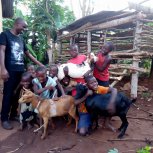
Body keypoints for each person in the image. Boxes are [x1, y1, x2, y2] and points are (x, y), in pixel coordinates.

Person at [0, 18, 44, 130]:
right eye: (23, 27)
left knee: (17, 93)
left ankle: (13, 115)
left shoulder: (20, 39)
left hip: (20, 71)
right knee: (8, 94)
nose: (24, 29)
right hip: (9, 71)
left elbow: (28, 55)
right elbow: (2, 51)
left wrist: (41, 65)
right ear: (17, 24)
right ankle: (4, 119)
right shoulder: (4, 35)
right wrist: (3, 69)